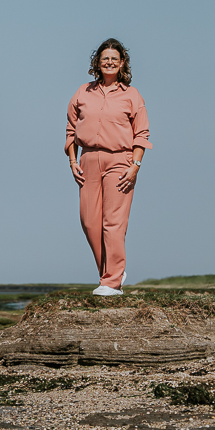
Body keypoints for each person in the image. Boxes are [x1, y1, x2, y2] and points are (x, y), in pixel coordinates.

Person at [65, 38, 152, 297]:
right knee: (90, 221)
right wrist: (72, 160)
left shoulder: (132, 95)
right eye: (105, 58)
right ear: (97, 63)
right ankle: (110, 273)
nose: (110, 62)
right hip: (88, 160)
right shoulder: (83, 92)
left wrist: (135, 166)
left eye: (115, 58)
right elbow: (71, 130)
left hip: (120, 161)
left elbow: (142, 133)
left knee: (112, 222)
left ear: (122, 63)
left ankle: (112, 281)